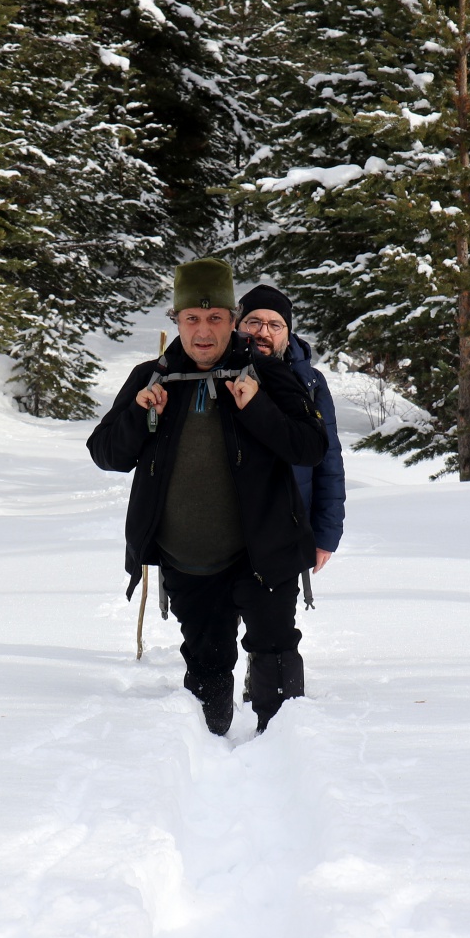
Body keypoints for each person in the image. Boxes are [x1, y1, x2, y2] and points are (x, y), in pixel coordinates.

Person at [87, 259, 328, 735]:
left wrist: (257, 407)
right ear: (175, 321)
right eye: (191, 319)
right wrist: (138, 414)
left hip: (264, 552)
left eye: (215, 318)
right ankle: (206, 749)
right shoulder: (150, 378)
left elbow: (311, 446)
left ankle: (284, 751)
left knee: (275, 652)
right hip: (188, 558)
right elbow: (106, 454)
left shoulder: (266, 374)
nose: (203, 331)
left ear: (232, 321)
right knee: (206, 661)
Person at [236, 284, 345, 574]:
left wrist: (325, 535)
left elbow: (329, 461)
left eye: (275, 324)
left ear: (288, 332)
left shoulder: (309, 382)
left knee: (275, 619)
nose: (264, 332)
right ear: (238, 326)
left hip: (287, 530)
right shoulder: (216, 373)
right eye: (254, 322)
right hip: (224, 531)